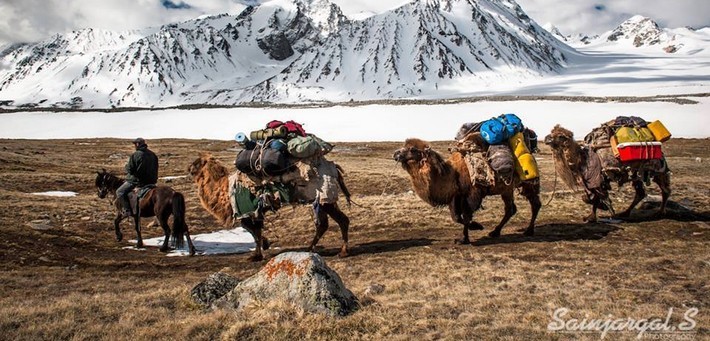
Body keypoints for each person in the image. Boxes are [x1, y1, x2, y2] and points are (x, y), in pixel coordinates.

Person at [116, 138, 159, 217]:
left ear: (138, 144)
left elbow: (130, 170)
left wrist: (126, 167)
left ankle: (127, 210)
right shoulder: (153, 154)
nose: (134, 146)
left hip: (137, 181)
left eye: (135, 144)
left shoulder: (136, 154)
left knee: (120, 191)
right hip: (152, 182)